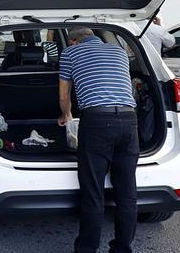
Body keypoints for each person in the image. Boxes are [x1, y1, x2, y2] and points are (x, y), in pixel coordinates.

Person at [58, 27, 138, 253]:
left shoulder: (70, 53)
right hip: (129, 120)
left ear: (73, 41)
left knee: (93, 192)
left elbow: (64, 95)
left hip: (97, 121)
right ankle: (122, 249)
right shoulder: (119, 51)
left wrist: (66, 116)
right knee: (127, 192)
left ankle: (86, 249)